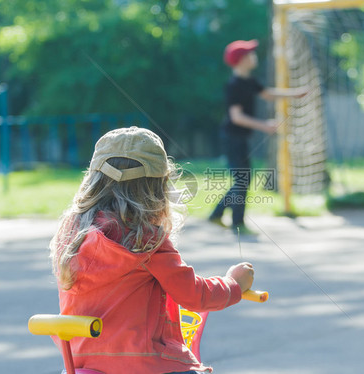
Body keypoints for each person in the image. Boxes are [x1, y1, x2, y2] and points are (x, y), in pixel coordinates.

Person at [49, 126, 255, 374]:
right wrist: (233, 284)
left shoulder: (71, 234)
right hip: (146, 365)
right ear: (156, 189)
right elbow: (193, 294)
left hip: (83, 364)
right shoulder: (144, 239)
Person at [209, 39, 307, 235]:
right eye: (250, 54)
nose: (254, 57)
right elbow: (237, 117)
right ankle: (237, 223)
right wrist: (264, 126)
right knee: (242, 180)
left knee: (243, 179)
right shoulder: (234, 85)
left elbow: (268, 94)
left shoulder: (250, 82)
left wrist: (294, 94)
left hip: (241, 138)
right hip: (232, 137)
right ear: (241, 60)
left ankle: (216, 215)